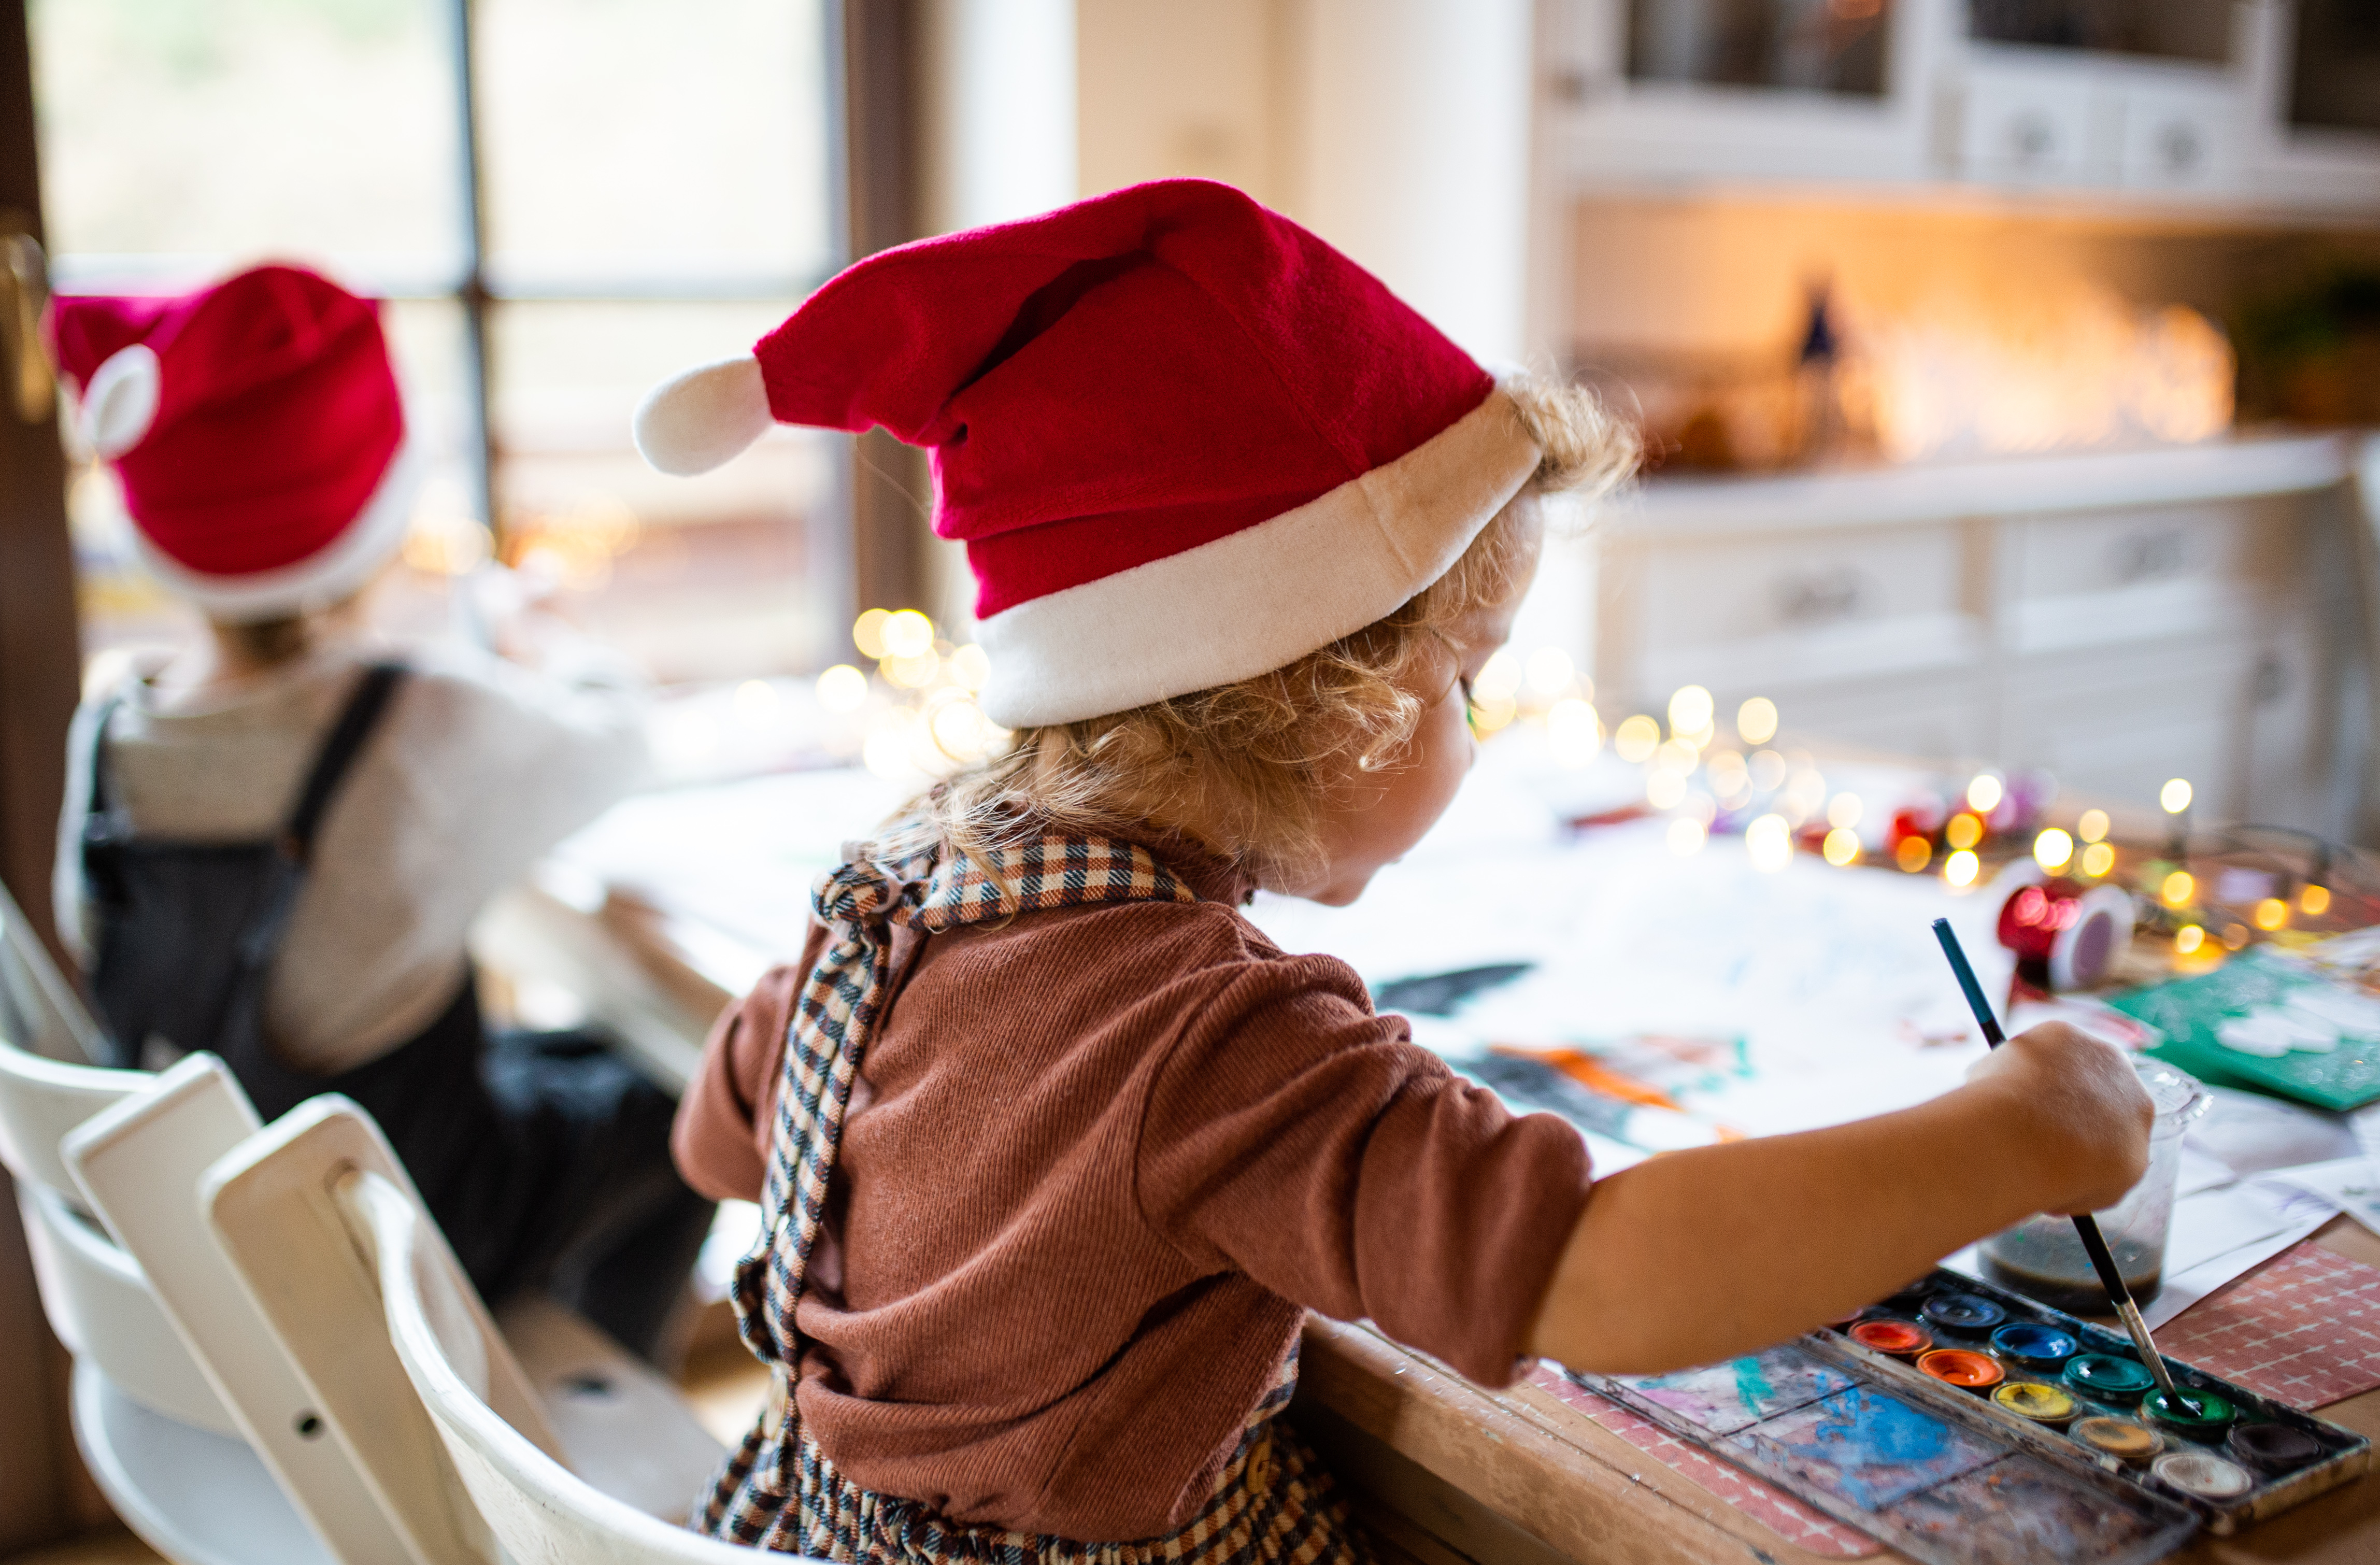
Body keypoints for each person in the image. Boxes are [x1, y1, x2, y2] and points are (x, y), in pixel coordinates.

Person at [635, 181, 2154, 1562]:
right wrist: (2008, 1135)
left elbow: (720, 1138)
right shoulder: (1218, 1043)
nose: (1480, 733)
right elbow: (1591, 1274)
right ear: (1325, 700)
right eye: (1467, 683)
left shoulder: (892, 900)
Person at [46, 263, 713, 1364]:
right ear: (371, 506)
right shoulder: (416, 718)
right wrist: (545, 641)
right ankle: (581, 1397)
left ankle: (562, 1387)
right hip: (408, 1227)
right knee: (691, 1090)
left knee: (584, 1051)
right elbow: (620, 741)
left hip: (231, 1213)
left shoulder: (112, 730)